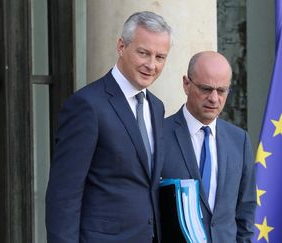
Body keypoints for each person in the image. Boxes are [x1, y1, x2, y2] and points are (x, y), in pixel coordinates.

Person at [45, 11, 172, 243]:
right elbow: (63, 194)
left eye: (160, 57)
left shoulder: (156, 107)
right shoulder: (87, 105)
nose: (151, 65)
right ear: (121, 46)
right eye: (143, 53)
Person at [161, 51, 256, 243]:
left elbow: (246, 209)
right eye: (206, 89)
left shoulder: (240, 140)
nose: (214, 98)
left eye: (221, 91)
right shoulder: (159, 135)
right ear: (186, 84)